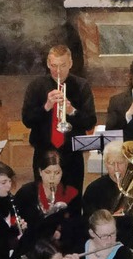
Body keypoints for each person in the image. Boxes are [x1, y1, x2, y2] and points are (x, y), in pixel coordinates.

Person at [22, 45, 97, 193]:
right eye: (54, 65)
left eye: (63, 65)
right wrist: (47, 106)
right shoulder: (36, 86)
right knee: (43, 199)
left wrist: (72, 111)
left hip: (72, 154)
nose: (58, 70)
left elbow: (90, 122)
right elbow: (27, 120)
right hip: (43, 151)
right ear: (48, 64)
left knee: (73, 199)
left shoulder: (82, 86)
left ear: (70, 64)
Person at [15, 149, 83, 253]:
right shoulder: (26, 193)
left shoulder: (72, 193)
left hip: (62, 249)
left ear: (62, 173)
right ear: (40, 172)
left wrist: (61, 233)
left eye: (57, 173)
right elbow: (15, 218)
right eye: (47, 172)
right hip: (33, 248)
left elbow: (76, 226)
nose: (52, 177)